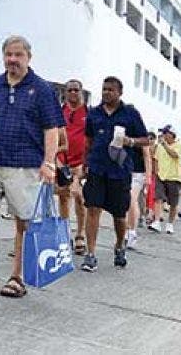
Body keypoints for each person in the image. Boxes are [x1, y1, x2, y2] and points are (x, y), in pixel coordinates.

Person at [0, 35, 62, 299]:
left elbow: (52, 129)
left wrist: (49, 162)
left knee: (23, 222)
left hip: (25, 164)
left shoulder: (42, 90)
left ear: (29, 57)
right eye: (9, 55)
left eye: (18, 55)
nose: (12, 60)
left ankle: (18, 276)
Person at [81, 77, 147, 272]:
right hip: (97, 168)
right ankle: (90, 253)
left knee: (119, 215)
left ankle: (119, 245)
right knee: (93, 209)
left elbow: (146, 140)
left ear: (120, 92)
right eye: (104, 89)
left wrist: (130, 141)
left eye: (110, 90)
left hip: (119, 171)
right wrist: (85, 163)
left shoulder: (131, 114)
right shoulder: (94, 113)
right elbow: (88, 140)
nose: (106, 93)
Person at [57, 79, 88, 255]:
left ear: (81, 92)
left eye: (76, 90)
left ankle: (81, 234)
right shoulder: (60, 111)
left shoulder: (88, 113)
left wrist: (85, 164)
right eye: (70, 90)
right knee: (63, 196)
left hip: (80, 162)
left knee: (80, 197)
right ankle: (65, 232)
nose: (73, 93)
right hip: (62, 160)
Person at [148, 126, 181, 234]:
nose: (163, 135)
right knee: (158, 198)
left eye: (165, 133)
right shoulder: (160, 146)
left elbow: (175, 155)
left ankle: (170, 224)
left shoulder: (179, 145)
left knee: (173, 203)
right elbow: (155, 158)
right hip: (161, 176)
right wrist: (154, 171)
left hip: (173, 177)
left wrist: (164, 145)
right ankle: (157, 221)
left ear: (171, 134)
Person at [124, 120, 152, 249]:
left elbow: (147, 156)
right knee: (124, 202)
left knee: (131, 199)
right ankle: (125, 230)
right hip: (123, 171)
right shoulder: (121, 131)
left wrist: (148, 176)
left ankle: (132, 232)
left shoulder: (141, 136)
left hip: (138, 172)